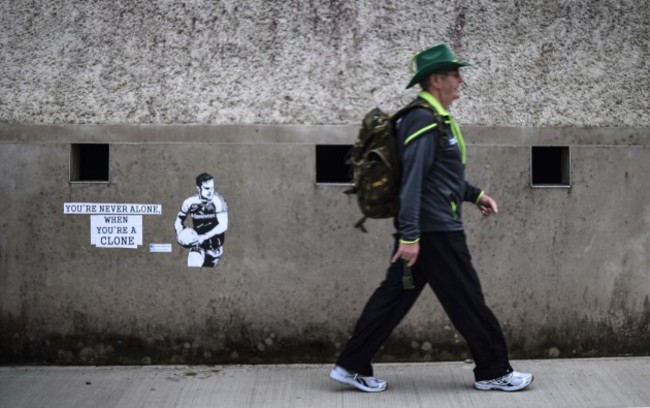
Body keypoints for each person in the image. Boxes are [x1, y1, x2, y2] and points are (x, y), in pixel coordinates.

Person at [329, 43, 533, 393]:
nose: (461, 80)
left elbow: (443, 177)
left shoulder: (436, 119)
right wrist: (410, 236)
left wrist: (476, 195)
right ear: (436, 80)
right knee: (469, 301)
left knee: (393, 298)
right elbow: (412, 182)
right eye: (455, 74)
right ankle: (493, 370)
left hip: (428, 230)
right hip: (434, 232)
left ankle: (350, 366)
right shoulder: (422, 120)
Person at [174, 172, 228, 267]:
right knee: (193, 266)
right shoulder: (189, 202)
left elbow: (223, 225)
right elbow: (179, 219)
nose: (210, 191)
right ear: (198, 188)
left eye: (212, 188)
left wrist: (204, 236)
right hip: (198, 245)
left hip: (215, 247)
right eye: (207, 188)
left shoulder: (218, 200)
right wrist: (180, 234)